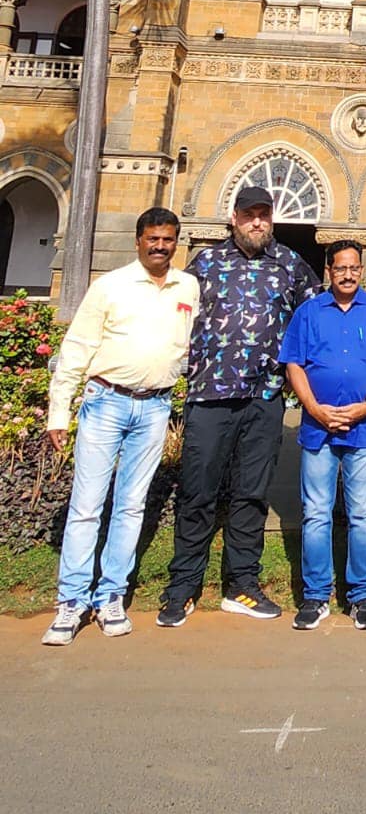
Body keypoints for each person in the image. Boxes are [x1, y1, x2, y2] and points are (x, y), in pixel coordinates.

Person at [157, 186, 321, 628]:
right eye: (250, 215)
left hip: (264, 399)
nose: (257, 223)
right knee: (198, 493)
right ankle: (183, 588)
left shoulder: (290, 265)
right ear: (233, 218)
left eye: (264, 215)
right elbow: (175, 315)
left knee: (251, 495)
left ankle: (241, 585)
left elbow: (316, 315)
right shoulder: (205, 264)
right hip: (209, 398)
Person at [41, 209, 196, 645]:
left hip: (154, 407)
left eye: (167, 239)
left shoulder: (188, 286)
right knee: (87, 505)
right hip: (106, 402)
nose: (160, 246)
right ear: (138, 240)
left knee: (131, 506)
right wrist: (59, 412)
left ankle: (111, 596)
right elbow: (77, 348)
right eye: (153, 239)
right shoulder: (109, 286)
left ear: (176, 242)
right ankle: (71, 602)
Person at [279, 240, 366, 632]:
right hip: (317, 427)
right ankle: (316, 595)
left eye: (354, 268)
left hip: (363, 427)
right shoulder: (308, 313)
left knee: (362, 513)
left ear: (362, 270)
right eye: (340, 268)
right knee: (316, 514)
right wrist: (313, 408)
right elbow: (294, 364)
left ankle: (361, 595)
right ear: (328, 270)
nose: (347, 274)